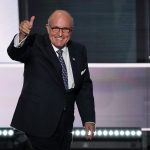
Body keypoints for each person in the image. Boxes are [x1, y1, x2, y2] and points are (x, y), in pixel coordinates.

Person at [7, 10, 95, 150]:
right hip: (38, 123)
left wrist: (88, 118)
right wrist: (23, 35)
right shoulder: (35, 43)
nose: (60, 34)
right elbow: (15, 53)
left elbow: (84, 86)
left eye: (65, 29)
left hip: (65, 125)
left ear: (71, 31)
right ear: (47, 28)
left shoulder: (79, 50)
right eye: (55, 28)